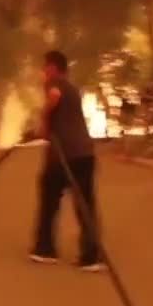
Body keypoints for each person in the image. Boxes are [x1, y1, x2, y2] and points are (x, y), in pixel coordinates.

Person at [29, 50, 102, 271]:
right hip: (83, 153)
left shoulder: (55, 84)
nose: (43, 71)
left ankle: (45, 249)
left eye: (45, 66)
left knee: (49, 198)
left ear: (53, 67)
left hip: (64, 155)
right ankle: (91, 257)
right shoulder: (72, 88)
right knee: (85, 204)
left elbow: (54, 99)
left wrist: (44, 117)